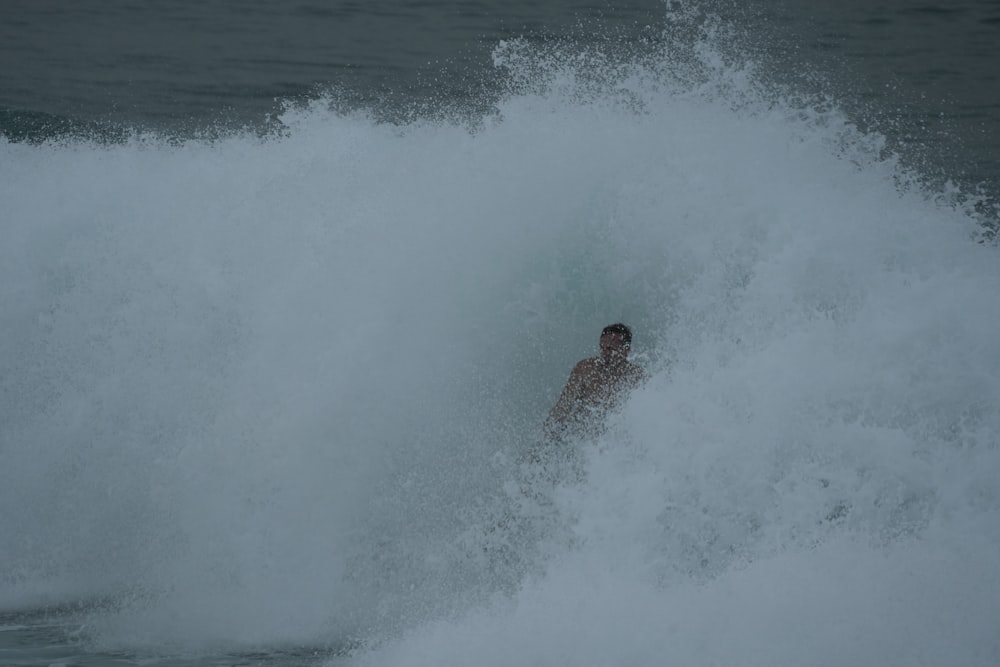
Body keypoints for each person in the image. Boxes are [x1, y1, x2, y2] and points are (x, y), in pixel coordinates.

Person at [543, 323, 646, 441]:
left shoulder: (636, 377)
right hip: (577, 436)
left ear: (626, 350)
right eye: (602, 348)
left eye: (611, 349)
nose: (605, 354)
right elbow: (562, 407)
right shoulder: (585, 369)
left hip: (613, 441)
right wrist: (547, 433)